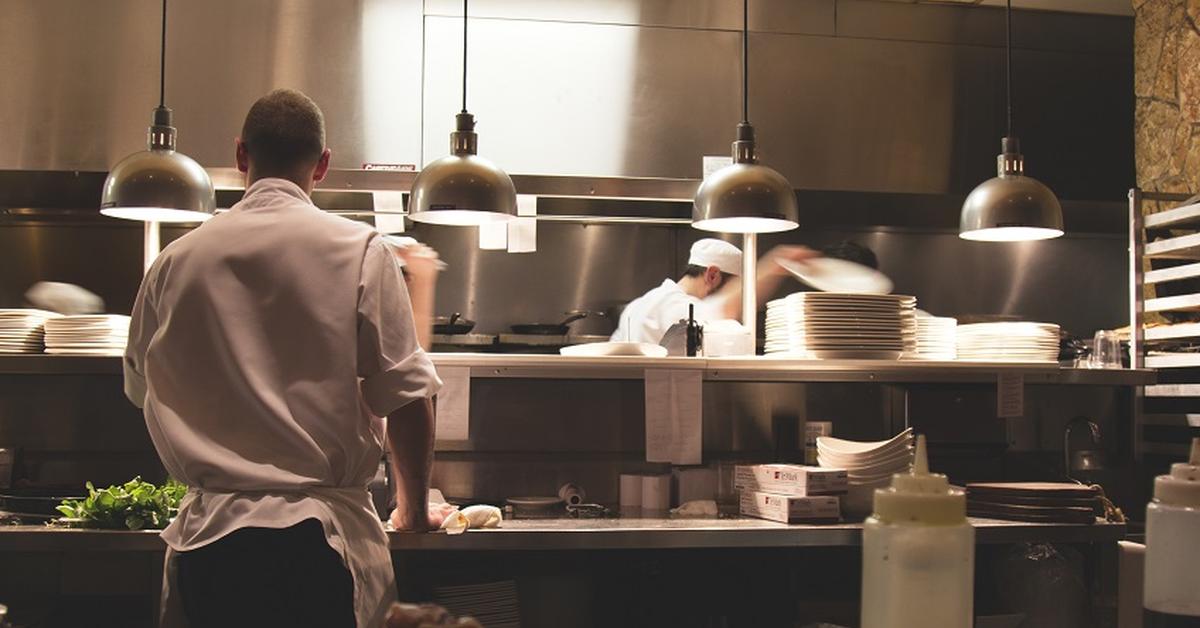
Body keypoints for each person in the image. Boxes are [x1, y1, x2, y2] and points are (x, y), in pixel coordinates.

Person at [123, 89, 446, 628]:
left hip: (210, 548)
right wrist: (412, 513)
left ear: (241, 154)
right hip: (319, 544)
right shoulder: (361, 250)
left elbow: (141, 389)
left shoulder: (173, 261)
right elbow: (408, 396)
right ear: (322, 164)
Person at [612, 238, 817, 344]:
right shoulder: (674, 305)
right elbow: (722, 309)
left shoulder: (637, 305)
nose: (737, 294)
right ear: (712, 275)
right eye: (734, 287)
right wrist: (776, 263)